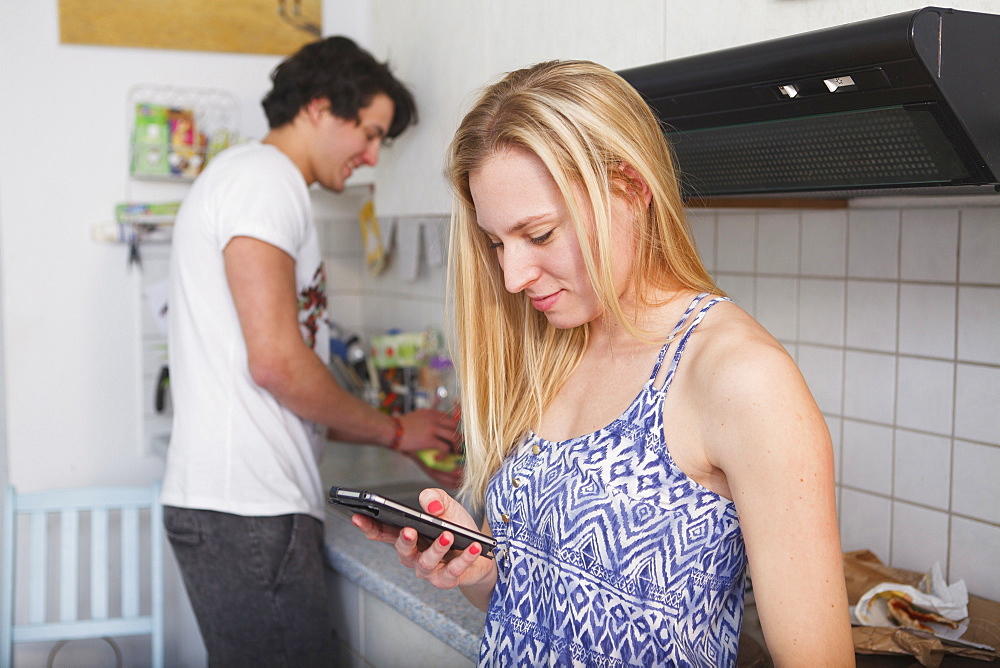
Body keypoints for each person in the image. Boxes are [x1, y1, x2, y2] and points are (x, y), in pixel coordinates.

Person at [353, 60, 855, 667]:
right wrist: (476, 565)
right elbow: (532, 609)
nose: (513, 277)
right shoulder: (556, 344)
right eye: (496, 243)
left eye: (537, 235)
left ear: (632, 188)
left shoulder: (739, 376)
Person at [161, 35, 462, 666]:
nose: (373, 156)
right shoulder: (265, 182)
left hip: (240, 507)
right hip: (249, 509)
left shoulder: (252, 181)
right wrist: (393, 432)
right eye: (372, 132)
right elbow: (275, 364)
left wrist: (403, 433)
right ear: (321, 106)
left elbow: (278, 381)